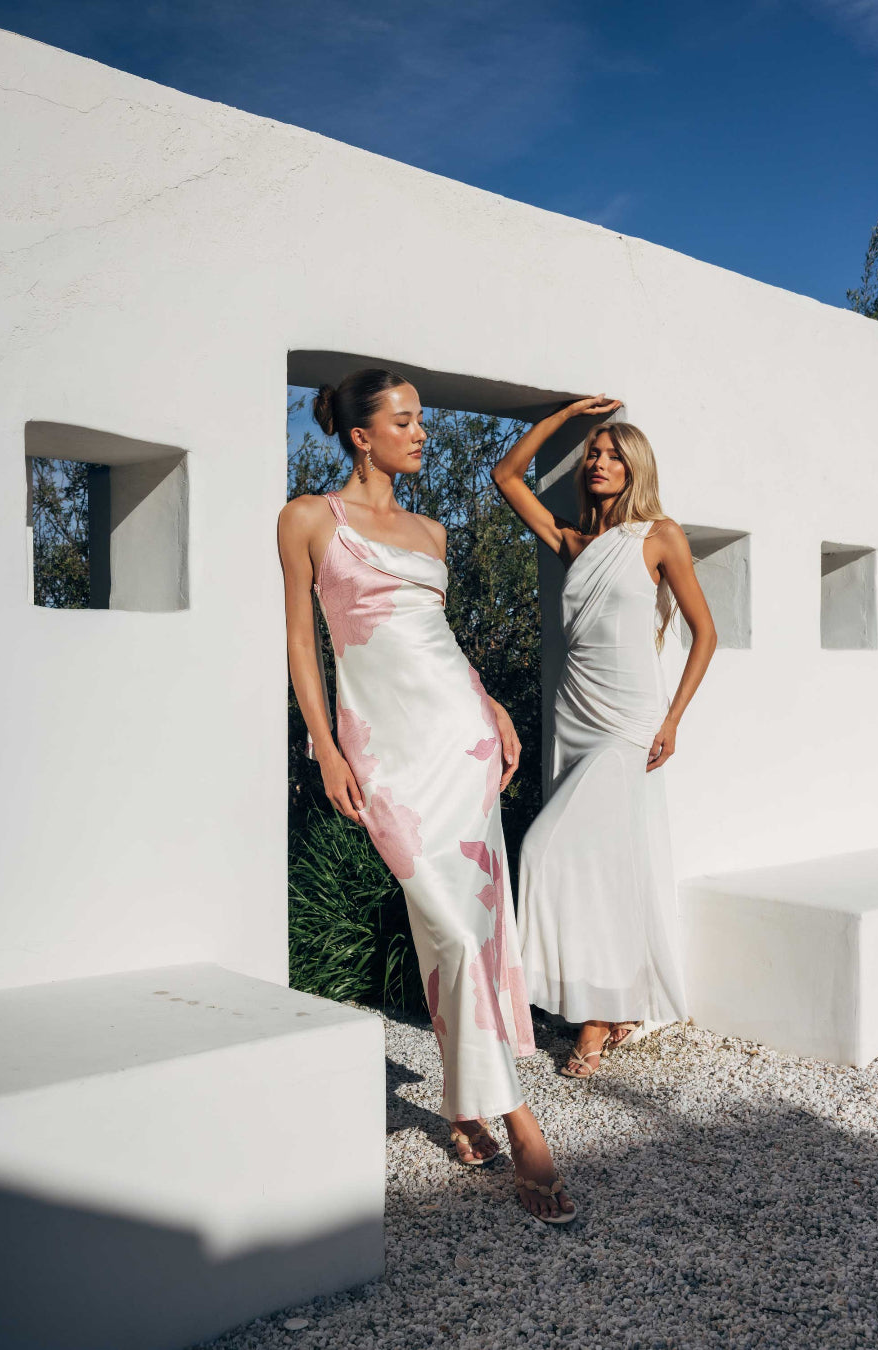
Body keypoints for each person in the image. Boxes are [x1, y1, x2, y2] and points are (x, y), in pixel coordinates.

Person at [278, 368, 575, 1221]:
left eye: (421, 420)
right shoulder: (308, 519)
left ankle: (481, 1110)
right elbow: (301, 641)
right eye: (404, 421)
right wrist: (326, 748)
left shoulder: (431, 531)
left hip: (460, 740)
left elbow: (435, 640)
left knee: (466, 928)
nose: (421, 434)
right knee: (446, 922)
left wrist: (492, 705)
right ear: (361, 435)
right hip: (386, 751)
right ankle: (515, 1119)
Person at [492, 397, 716, 1079]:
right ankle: (607, 1004)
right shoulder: (572, 543)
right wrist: (563, 419)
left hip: (629, 721)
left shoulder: (660, 536)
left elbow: (705, 634)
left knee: (544, 847)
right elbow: (505, 477)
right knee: (595, 866)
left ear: (634, 468)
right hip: (576, 714)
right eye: (594, 452)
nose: (599, 462)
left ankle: (595, 1018)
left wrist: (673, 718)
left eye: (614, 454)